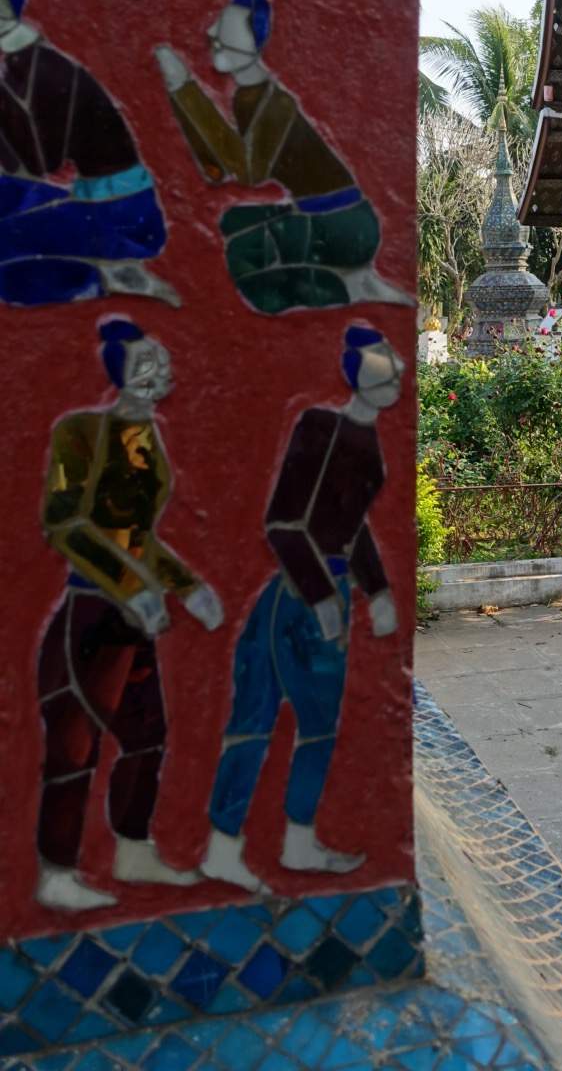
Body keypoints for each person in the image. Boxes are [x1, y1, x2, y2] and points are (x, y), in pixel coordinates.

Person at [200, 325, 403, 894]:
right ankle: (222, 845)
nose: (393, 373)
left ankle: (297, 840)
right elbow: (283, 523)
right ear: (355, 373)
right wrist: (320, 598)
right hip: (297, 592)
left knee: (317, 726)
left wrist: (378, 590)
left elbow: (352, 525)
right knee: (255, 718)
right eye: (380, 363)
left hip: (333, 587)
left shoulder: (371, 447)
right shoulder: (320, 426)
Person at [36, 319, 223, 912]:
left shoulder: (147, 441)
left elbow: (139, 537)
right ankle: (56, 870)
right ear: (123, 369)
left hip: (134, 618)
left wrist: (183, 586)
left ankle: (132, 845)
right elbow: (66, 524)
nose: (164, 369)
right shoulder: (81, 432)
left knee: (147, 735)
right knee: (75, 743)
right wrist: (127, 586)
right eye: (151, 360)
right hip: (90, 612)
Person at [155, 0, 410, 311]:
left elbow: (249, 172)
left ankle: (347, 289)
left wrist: (185, 89)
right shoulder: (247, 96)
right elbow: (220, 166)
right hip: (319, 212)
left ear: (254, 40)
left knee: (242, 258)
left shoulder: (276, 103)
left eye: (226, 26)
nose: (212, 33)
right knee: (229, 221)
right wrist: (181, 97)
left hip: (342, 224)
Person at [0, 0, 177, 305]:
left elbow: (39, 162)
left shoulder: (45, 71)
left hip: (123, 218)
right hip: (93, 201)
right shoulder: (21, 67)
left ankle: (111, 277)